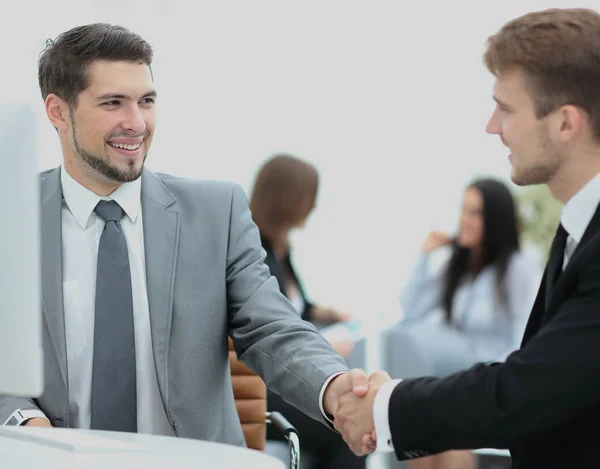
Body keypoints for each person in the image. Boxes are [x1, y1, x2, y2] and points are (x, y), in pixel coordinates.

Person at [0, 23, 370, 445]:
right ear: (58, 111)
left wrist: (336, 388)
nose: (136, 123)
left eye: (146, 101)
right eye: (113, 103)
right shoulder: (10, 217)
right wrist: (25, 421)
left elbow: (273, 328)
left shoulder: (217, 213)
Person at [333, 8, 600, 469]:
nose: (491, 126)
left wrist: (383, 406)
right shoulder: (576, 228)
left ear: (564, 123)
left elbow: (528, 388)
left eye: (506, 108)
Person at [399, 178, 540, 469]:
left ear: (495, 220)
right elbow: (410, 311)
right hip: (457, 384)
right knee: (420, 442)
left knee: (450, 443)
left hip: (491, 386)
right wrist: (423, 257)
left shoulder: (517, 270)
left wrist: (493, 382)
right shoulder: (458, 270)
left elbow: (524, 341)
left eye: (475, 213)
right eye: (464, 211)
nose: (465, 220)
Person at [249, 153, 365, 469]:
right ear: (288, 199)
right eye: (309, 198)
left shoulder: (280, 249)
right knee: (349, 427)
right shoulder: (254, 253)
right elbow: (268, 324)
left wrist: (324, 312)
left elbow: (293, 308)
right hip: (268, 388)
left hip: (289, 379)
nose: (313, 207)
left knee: (350, 420)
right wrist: (326, 346)